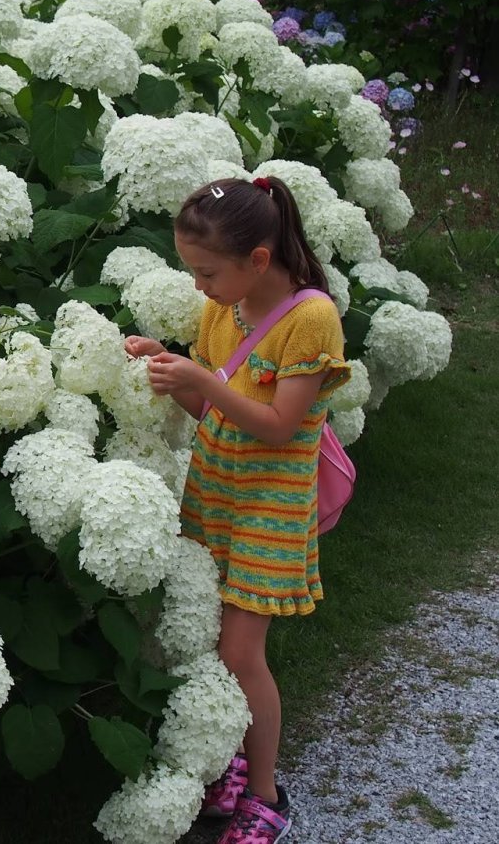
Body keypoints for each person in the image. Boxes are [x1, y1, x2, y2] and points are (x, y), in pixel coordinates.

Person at [125, 176, 351, 844]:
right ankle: (228, 757)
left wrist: (200, 382)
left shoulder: (311, 319)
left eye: (207, 272)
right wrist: (172, 370)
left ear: (257, 260)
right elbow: (213, 409)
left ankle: (265, 794)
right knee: (208, 642)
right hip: (214, 492)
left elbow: (280, 424)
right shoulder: (223, 309)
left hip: (269, 508)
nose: (199, 286)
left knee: (240, 651)